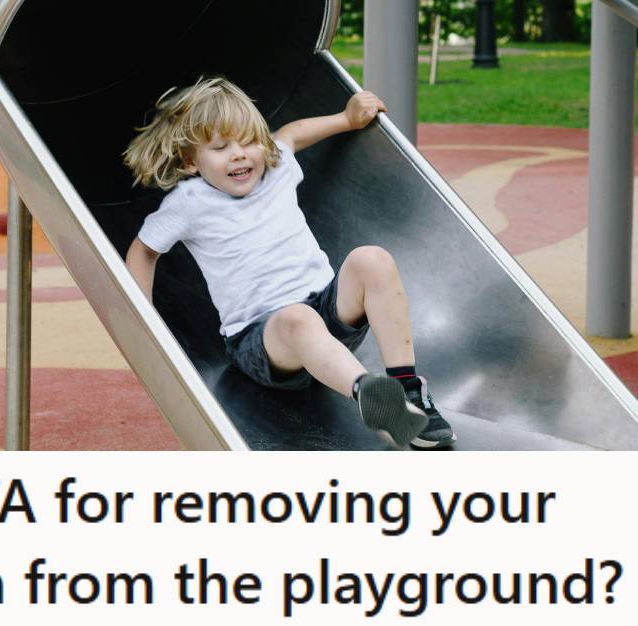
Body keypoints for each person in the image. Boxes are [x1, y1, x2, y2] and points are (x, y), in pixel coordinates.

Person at [122, 76, 455, 450]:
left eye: (249, 140)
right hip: (262, 340)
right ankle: (371, 397)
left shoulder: (276, 164)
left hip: (328, 314)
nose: (239, 154)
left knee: (372, 260)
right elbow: (144, 250)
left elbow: (291, 134)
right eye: (220, 147)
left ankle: (406, 388)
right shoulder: (189, 202)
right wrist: (141, 318)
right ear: (190, 162)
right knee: (297, 319)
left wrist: (346, 119)